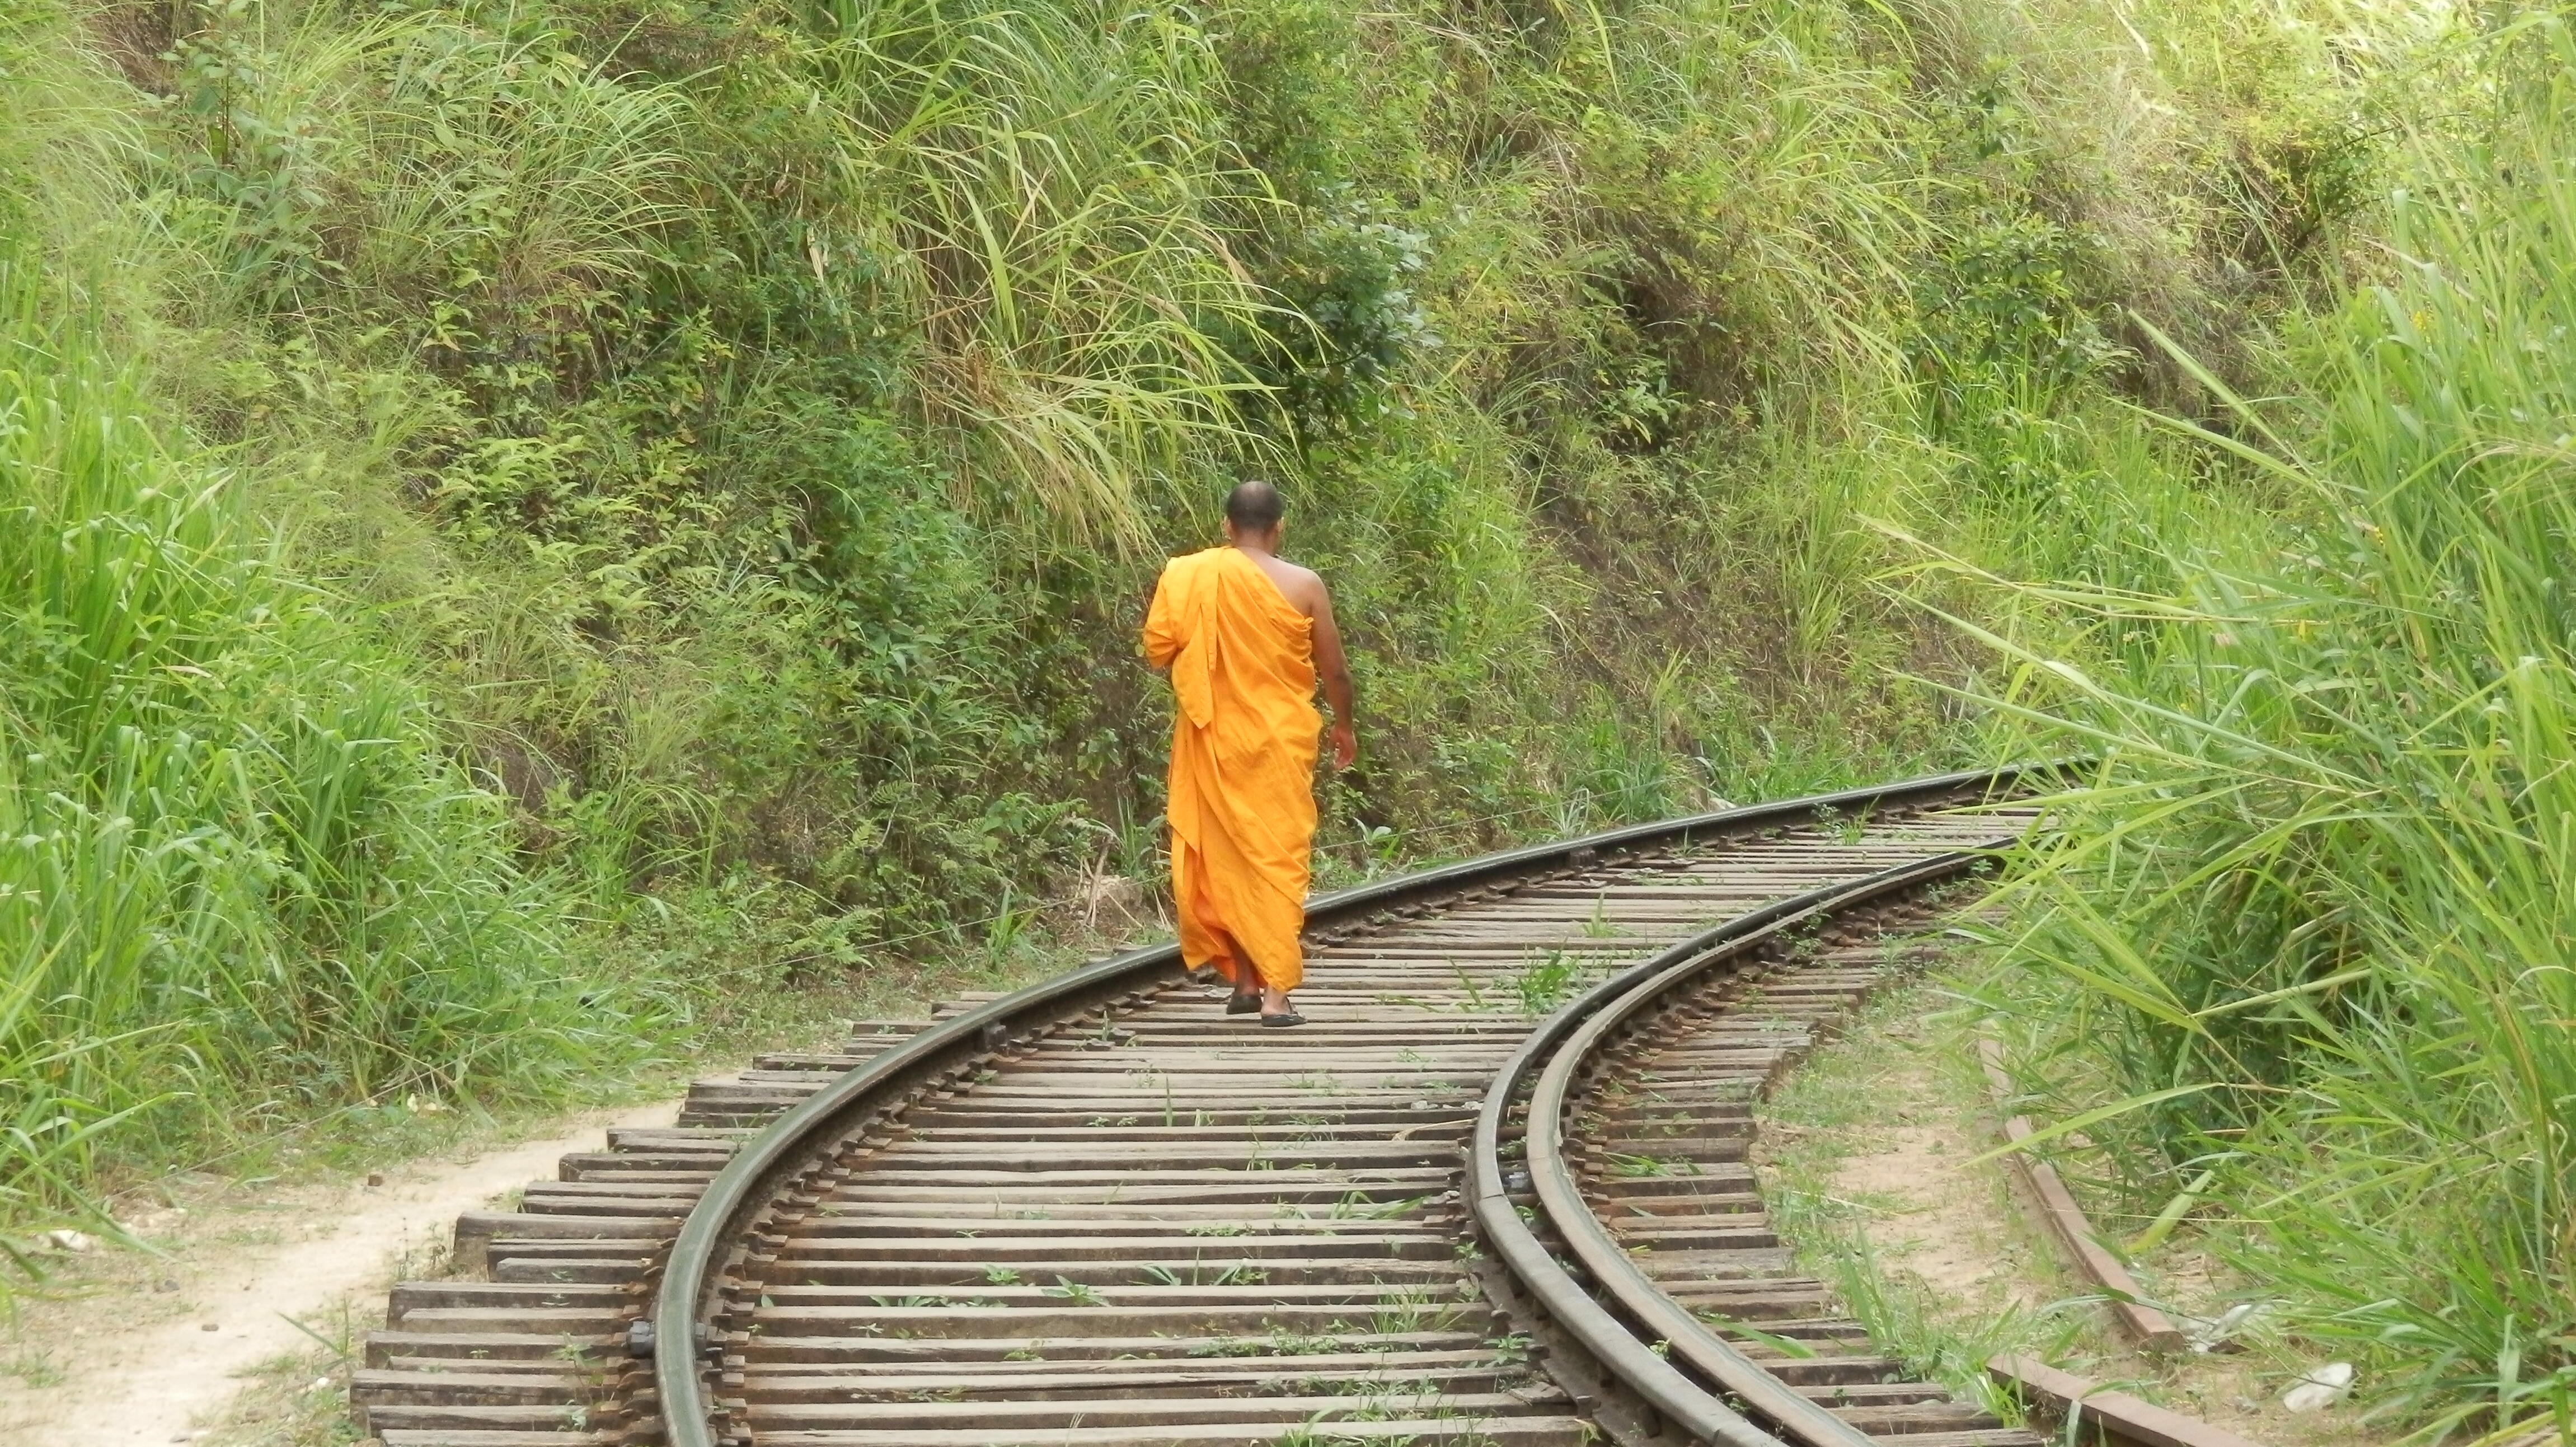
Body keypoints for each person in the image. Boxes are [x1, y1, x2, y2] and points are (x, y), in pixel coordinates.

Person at [1142, 480, 1357, 1028]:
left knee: (1227, 860)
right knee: (1274, 861)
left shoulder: (1190, 575)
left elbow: (1158, 650)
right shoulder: (1304, 584)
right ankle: (1274, 994)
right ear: (1279, 526)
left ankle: (1244, 981)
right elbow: (1333, 668)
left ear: (1226, 525)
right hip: (1276, 744)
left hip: (1215, 739)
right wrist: (1345, 725)